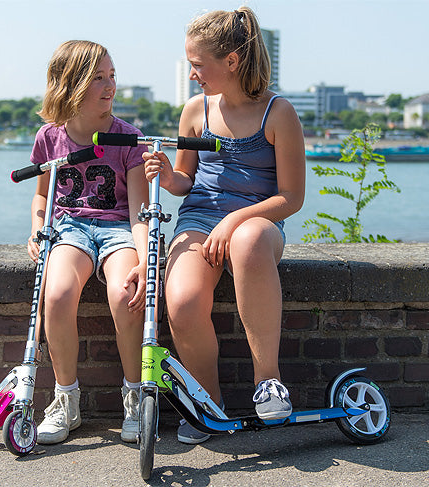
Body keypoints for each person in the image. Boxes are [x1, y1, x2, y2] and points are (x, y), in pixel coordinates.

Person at [143, 7, 305, 444]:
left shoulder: (279, 112)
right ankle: (207, 401)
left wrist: (235, 220)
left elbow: (292, 198)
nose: (192, 73)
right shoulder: (195, 109)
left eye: (198, 64)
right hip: (198, 219)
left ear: (231, 61)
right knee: (181, 301)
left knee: (249, 240)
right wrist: (164, 173)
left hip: (257, 220)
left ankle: (267, 381)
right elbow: (184, 182)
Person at [27, 40, 149, 445]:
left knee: (125, 294)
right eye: (98, 77)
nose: (109, 85)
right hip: (70, 229)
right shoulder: (49, 139)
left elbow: (138, 212)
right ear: (70, 83)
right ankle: (66, 400)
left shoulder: (129, 139)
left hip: (117, 229)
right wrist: (36, 227)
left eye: (112, 76)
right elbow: (42, 194)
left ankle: (135, 396)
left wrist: (146, 258)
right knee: (58, 295)